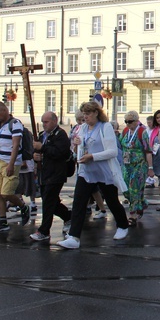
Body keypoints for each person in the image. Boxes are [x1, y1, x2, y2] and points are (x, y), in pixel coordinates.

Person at [59, 102, 129, 249]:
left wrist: (92, 156)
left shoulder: (105, 127)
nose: (85, 117)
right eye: (84, 114)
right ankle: (74, 237)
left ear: (96, 113)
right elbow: (77, 150)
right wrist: (76, 144)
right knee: (79, 202)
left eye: (88, 114)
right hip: (87, 171)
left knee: (111, 200)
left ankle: (123, 225)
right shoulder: (83, 128)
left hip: (104, 171)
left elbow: (112, 152)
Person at [0, 102, 31, 233]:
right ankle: (2, 220)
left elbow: (16, 146)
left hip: (10, 163)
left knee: (6, 193)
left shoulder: (15, 124)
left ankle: (23, 207)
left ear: (5, 111)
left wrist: (11, 164)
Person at [29, 111, 73, 242]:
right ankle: (69, 216)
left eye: (46, 122)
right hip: (44, 173)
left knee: (48, 202)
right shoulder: (42, 135)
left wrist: (42, 148)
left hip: (56, 174)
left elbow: (60, 152)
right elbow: (37, 151)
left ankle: (44, 230)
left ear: (54, 121)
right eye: (42, 122)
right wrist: (35, 155)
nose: (44, 125)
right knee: (51, 201)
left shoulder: (60, 135)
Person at [119, 110, 152, 226]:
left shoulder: (142, 132)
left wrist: (150, 168)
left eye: (130, 121)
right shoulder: (125, 131)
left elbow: (148, 151)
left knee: (134, 189)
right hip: (126, 165)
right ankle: (142, 203)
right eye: (126, 121)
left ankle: (132, 214)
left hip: (139, 165)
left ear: (137, 121)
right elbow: (120, 147)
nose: (128, 124)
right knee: (125, 189)